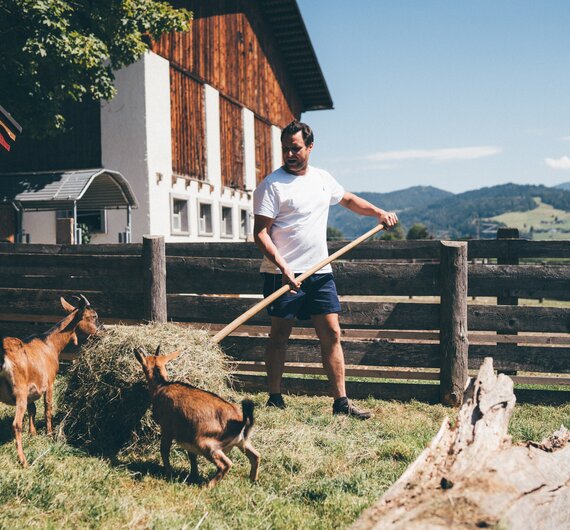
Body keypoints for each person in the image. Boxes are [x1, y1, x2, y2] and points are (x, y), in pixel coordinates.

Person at [252, 120, 399, 420]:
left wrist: (378, 213)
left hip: (319, 272)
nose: (290, 155)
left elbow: (347, 199)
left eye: (295, 149)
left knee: (332, 332)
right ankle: (274, 397)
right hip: (283, 275)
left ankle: (341, 403)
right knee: (280, 334)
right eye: (285, 150)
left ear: (310, 147)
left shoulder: (322, 179)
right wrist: (283, 267)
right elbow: (260, 233)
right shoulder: (271, 185)